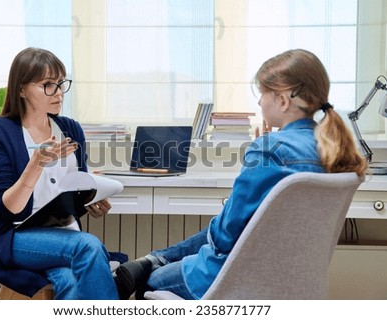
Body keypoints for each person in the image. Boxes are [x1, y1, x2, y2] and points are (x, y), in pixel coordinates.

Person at [113, 48, 368, 300]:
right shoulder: (335, 150)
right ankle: (156, 258)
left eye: (263, 94)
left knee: (147, 282)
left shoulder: (270, 149)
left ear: (282, 100)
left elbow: (225, 237)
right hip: (290, 280)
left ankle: (152, 262)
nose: (259, 102)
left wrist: (265, 151)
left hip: (228, 280)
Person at [0, 47, 120, 299]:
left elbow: (76, 186)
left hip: (62, 235)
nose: (58, 93)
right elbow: (6, 209)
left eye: (61, 83)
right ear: (21, 90)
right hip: (14, 236)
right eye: (47, 85)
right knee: (88, 247)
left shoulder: (71, 129)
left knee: (70, 280)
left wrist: (90, 203)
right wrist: (36, 165)